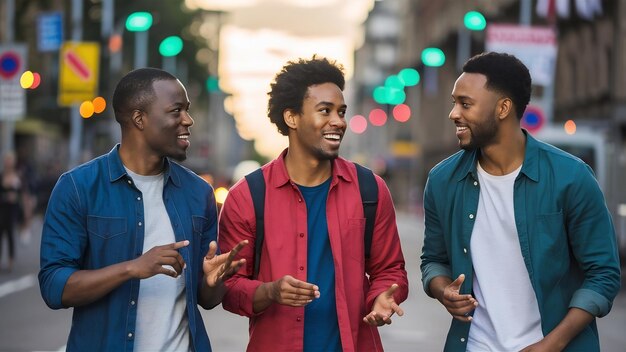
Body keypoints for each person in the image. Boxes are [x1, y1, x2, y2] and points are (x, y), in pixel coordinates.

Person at [420, 52, 621, 351]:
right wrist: (442, 289)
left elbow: (603, 273)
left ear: (503, 108)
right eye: (454, 102)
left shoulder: (571, 177)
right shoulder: (442, 180)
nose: (454, 113)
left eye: (465, 103)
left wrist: (552, 344)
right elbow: (433, 260)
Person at [39, 68, 247, 351]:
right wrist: (131, 268)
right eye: (176, 111)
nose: (188, 120)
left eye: (186, 110)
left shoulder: (199, 193)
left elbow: (207, 300)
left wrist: (212, 281)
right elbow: (54, 287)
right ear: (139, 119)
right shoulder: (78, 187)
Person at [218, 56, 409, 351]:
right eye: (325, 111)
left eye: (341, 111)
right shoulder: (247, 196)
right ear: (292, 117)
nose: (339, 122)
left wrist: (384, 295)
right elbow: (228, 288)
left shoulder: (370, 189)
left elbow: (390, 268)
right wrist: (270, 291)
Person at [0, 152, 22, 272]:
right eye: (7, 160)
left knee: (10, 235)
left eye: (11, 160)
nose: (9, 163)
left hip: (12, 211)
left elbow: (22, 194)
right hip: (2, 209)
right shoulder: (1, 176)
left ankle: (10, 260)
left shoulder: (17, 176)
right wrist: (5, 197)